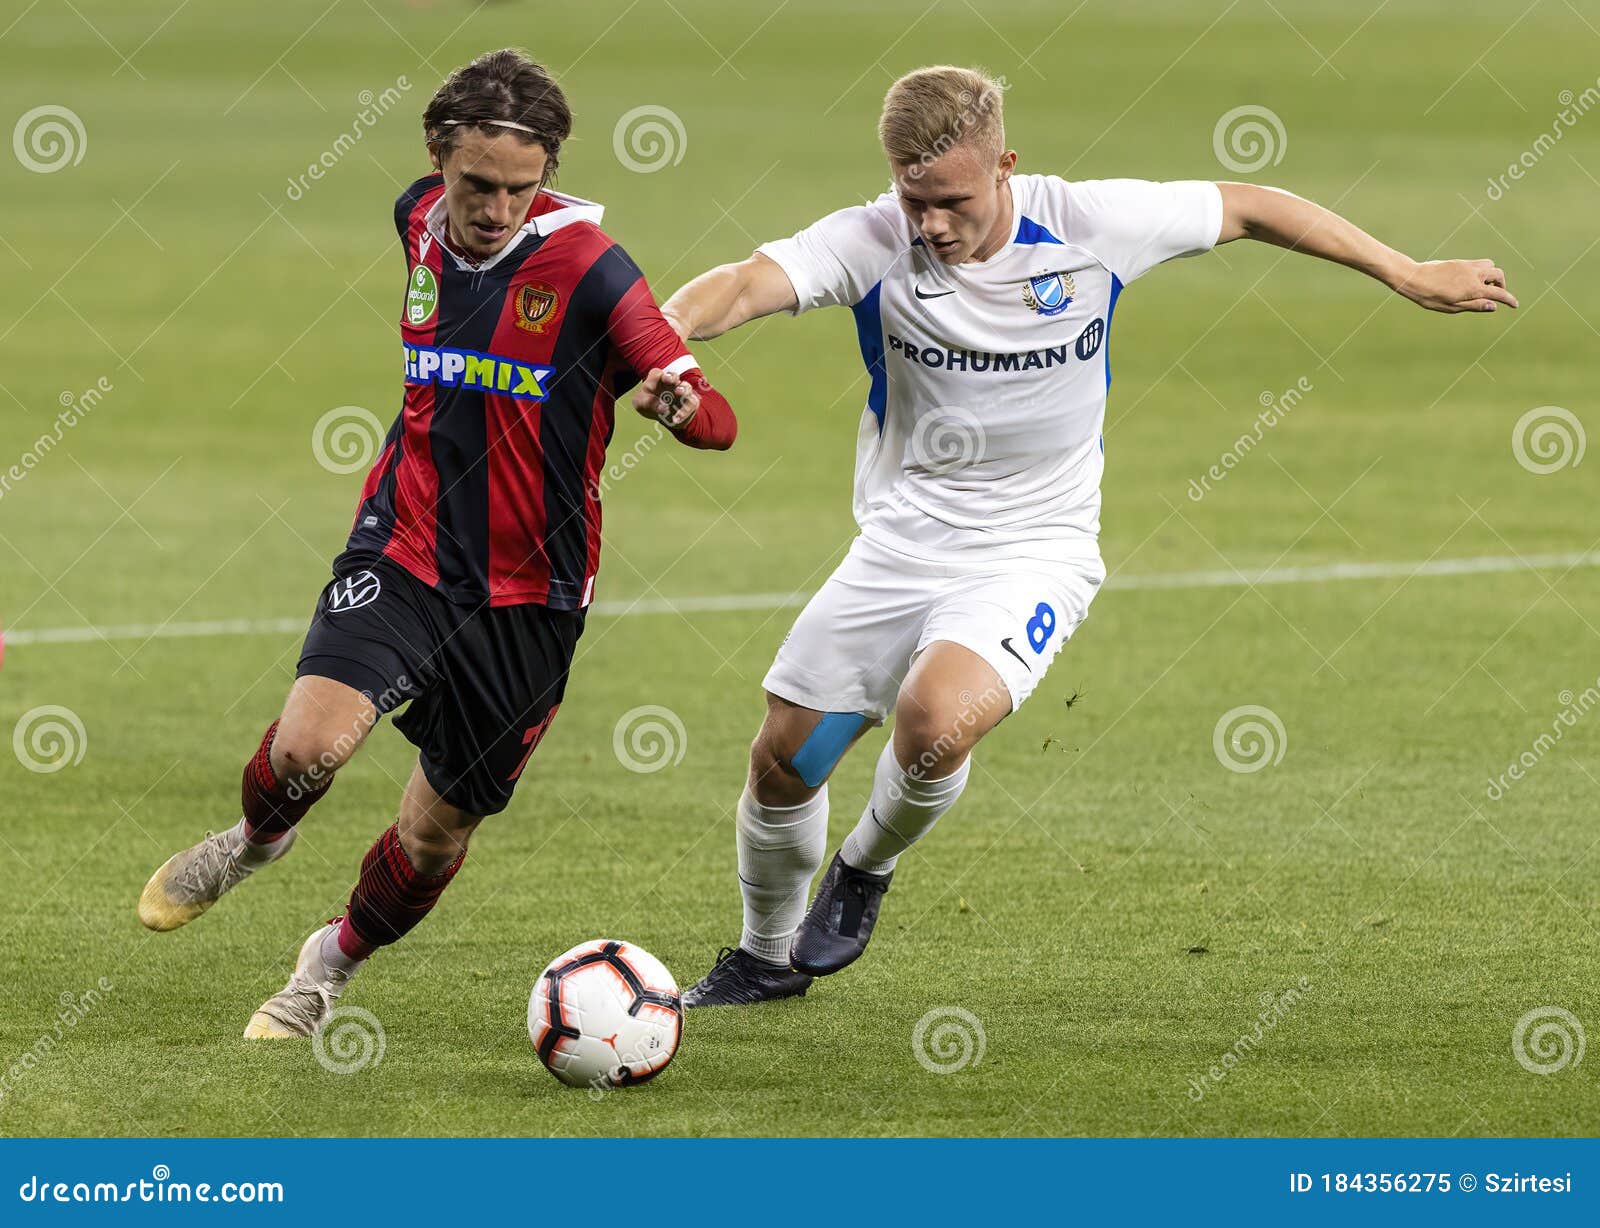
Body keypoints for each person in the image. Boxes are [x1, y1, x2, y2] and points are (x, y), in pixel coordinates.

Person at [661, 65, 1515, 1007]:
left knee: (935, 723)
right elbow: (746, 284)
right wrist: (663, 339)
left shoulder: (1089, 225)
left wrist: (1406, 272)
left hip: (1038, 546)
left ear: (1006, 167)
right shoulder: (872, 239)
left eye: (953, 201)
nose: (931, 225)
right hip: (902, 542)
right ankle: (763, 960)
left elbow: (1252, 207)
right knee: (786, 761)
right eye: (915, 200)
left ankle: (864, 867)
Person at [137, 48, 736, 1038]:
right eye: (476, 185)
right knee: (308, 744)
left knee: (433, 829)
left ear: (548, 177)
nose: (495, 209)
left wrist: (680, 407)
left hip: (532, 597)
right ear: (436, 160)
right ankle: (253, 837)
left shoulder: (593, 270)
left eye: (519, 189)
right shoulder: (417, 216)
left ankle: (328, 964)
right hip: (405, 547)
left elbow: (714, 416)